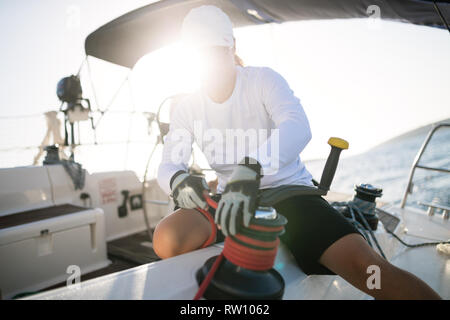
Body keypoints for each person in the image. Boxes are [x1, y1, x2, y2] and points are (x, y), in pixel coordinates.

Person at [154, 5, 441, 300]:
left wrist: (251, 168)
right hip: (233, 203)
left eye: (216, 52)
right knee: (167, 238)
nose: (211, 64)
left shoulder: (263, 80)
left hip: (290, 193)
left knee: (367, 269)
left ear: (232, 48)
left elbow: (298, 126)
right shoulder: (188, 108)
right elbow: (168, 163)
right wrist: (178, 180)